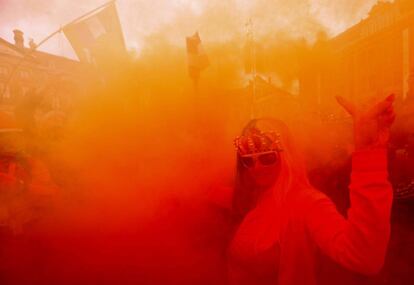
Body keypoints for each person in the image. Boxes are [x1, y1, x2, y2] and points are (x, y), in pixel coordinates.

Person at [225, 95, 396, 285]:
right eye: (248, 160)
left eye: (267, 158)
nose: (256, 167)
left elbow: (363, 257)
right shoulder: (253, 199)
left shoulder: (307, 203)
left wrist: (368, 151)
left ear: (286, 157)